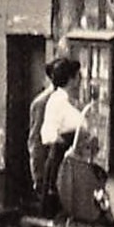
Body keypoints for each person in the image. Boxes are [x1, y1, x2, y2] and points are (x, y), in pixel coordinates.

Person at [39, 56, 84, 216]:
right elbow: (47, 133)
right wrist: (67, 144)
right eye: (78, 76)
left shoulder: (69, 101)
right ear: (70, 79)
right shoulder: (57, 101)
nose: (81, 80)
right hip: (62, 164)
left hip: (76, 163)